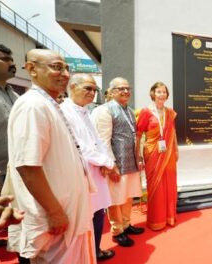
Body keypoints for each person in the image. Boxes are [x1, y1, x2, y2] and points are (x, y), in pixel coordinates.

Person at [5, 49, 95, 263]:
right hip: (57, 216)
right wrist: (55, 212)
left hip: (69, 210)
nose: (64, 73)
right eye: (56, 67)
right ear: (32, 69)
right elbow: (28, 166)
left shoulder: (49, 103)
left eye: (66, 68)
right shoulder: (32, 106)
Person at [60, 73, 116, 261]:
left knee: (98, 213)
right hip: (80, 175)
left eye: (94, 89)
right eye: (88, 88)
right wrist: (106, 162)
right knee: (84, 218)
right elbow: (79, 147)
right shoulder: (64, 111)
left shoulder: (86, 111)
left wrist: (107, 161)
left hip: (96, 172)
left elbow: (97, 140)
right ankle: (86, 255)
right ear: (72, 87)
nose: (92, 93)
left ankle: (95, 250)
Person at [91, 77, 143, 247]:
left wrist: (139, 157)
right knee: (115, 199)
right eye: (121, 88)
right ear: (111, 92)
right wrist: (110, 165)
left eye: (128, 88)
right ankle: (117, 230)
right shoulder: (104, 110)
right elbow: (103, 141)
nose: (126, 91)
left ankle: (127, 224)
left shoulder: (129, 110)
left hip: (131, 162)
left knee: (127, 196)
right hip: (116, 164)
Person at [136, 81, 178, 231]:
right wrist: (138, 154)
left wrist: (176, 150)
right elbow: (139, 134)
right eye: (159, 91)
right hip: (152, 153)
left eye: (164, 92)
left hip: (168, 153)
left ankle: (169, 216)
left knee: (169, 184)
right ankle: (156, 220)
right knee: (155, 186)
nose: (162, 94)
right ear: (153, 93)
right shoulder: (146, 112)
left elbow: (173, 133)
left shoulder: (170, 112)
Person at [0, 43, 18, 198]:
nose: (12, 64)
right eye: (5, 59)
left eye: (12, 59)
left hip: (17, 171)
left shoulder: (15, 95)